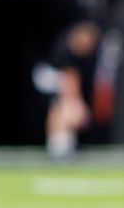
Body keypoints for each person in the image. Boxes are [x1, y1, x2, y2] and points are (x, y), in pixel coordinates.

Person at [45, 21, 104, 161]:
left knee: (68, 108)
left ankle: (63, 143)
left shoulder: (83, 56)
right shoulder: (66, 52)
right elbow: (70, 80)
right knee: (64, 107)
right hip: (50, 78)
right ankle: (59, 144)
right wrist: (77, 103)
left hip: (60, 81)